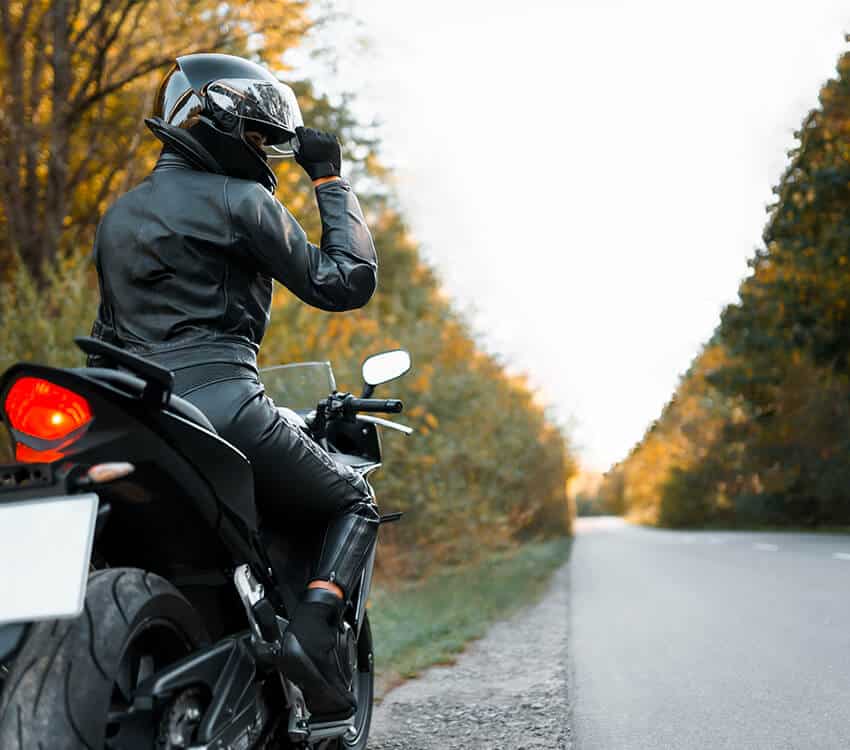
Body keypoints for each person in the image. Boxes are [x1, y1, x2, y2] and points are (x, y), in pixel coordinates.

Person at [88, 53, 379, 719]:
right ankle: (310, 635)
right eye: (257, 136)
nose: (264, 153)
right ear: (213, 121)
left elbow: (107, 336)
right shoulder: (244, 201)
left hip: (141, 413)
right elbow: (345, 280)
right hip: (224, 404)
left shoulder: (119, 217)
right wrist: (329, 178)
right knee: (353, 500)